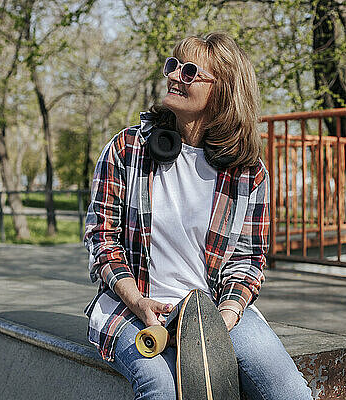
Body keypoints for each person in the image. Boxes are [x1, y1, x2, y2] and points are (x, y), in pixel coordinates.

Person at [83, 32, 312, 400]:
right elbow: (102, 239)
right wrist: (139, 302)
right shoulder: (127, 149)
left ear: (222, 91)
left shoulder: (248, 173)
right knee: (160, 386)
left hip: (213, 311)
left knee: (290, 394)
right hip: (131, 307)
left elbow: (248, 261)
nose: (175, 76)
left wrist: (222, 321)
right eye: (173, 66)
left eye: (190, 72)